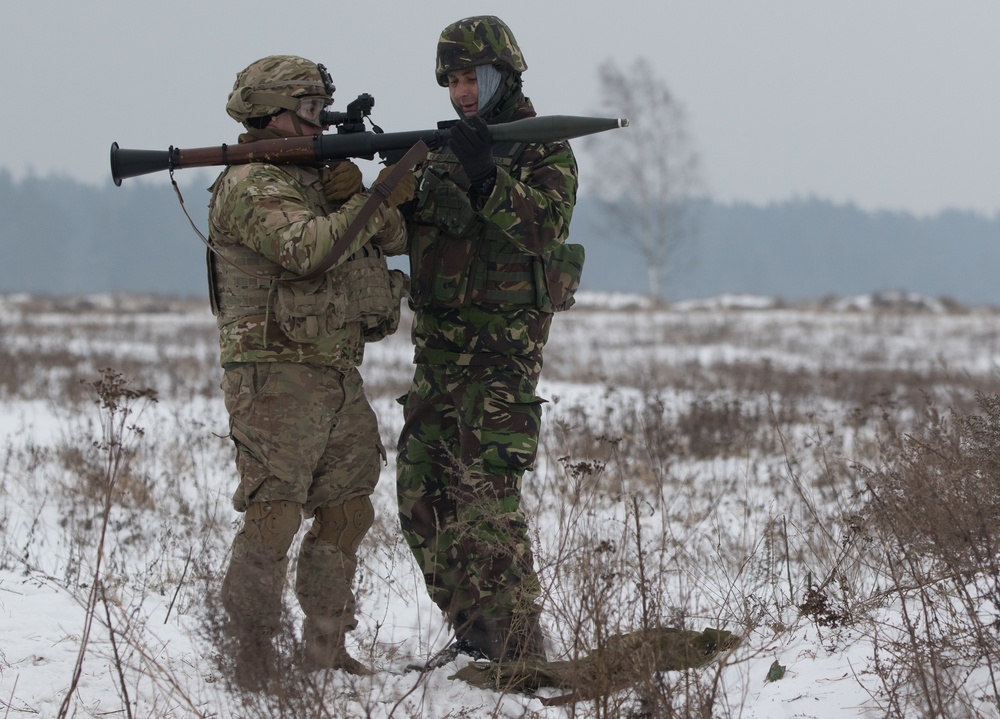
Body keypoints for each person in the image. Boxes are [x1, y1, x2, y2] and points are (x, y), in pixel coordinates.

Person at [208, 54, 413, 686]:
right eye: (307, 111)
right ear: (269, 111)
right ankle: (248, 654)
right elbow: (312, 250)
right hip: (273, 374)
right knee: (275, 515)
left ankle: (325, 646)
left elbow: (394, 237)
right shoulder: (251, 185)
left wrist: (361, 194)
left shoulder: (308, 177)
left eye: (321, 109)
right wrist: (375, 193)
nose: (318, 121)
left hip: (330, 368)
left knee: (349, 508)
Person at [396, 16, 583, 664]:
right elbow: (408, 233)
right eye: (451, 80)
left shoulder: (545, 149)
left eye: (471, 77)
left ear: (501, 73)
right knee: (420, 498)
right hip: (439, 359)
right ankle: (477, 635)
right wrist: (392, 189)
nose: (461, 92)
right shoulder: (444, 151)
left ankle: (522, 650)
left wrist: (486, 178)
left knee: (487, 506)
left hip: (500, 365)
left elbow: (541, 228)